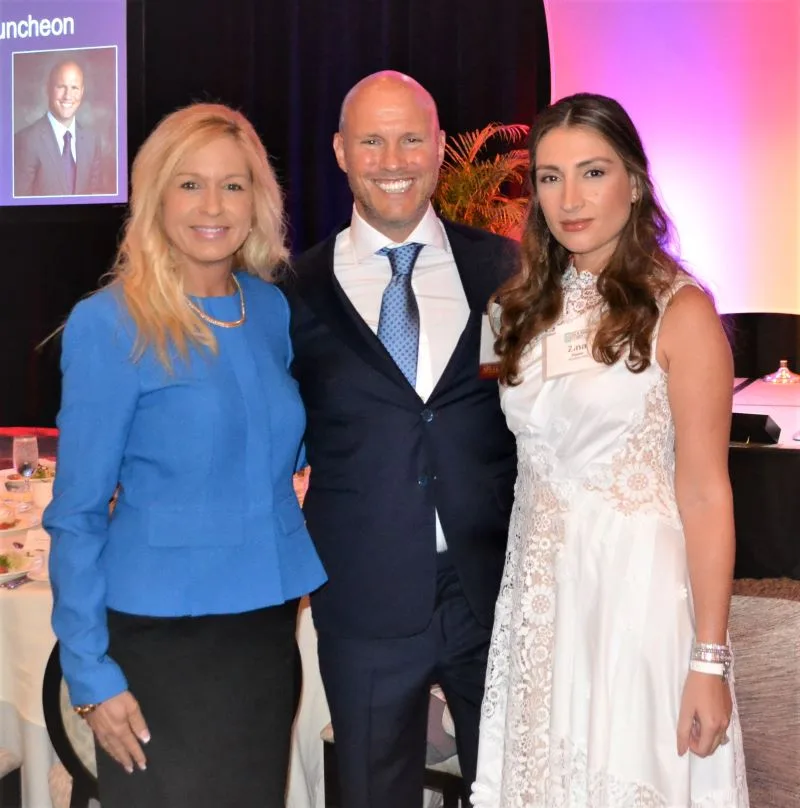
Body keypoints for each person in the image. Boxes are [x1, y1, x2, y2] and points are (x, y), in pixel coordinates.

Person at [44, 102, 326, 808]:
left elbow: (272, 446)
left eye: (233, 185)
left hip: (264, 629)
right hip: (160, 639)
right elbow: (76, 514)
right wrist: (89, 673)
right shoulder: (110, 323)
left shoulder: (268, 310)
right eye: (190, 184)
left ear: (257, 202)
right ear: (156, 197)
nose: (213, 206)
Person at [471, 93, 749, 807]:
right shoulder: (515, 308)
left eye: (592, 172)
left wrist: (709, 659)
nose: (570, 198)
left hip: (635, 598)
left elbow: (706, 493)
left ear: (634, 180)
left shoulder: (680, 311)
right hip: (540, 599)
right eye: (550, 177)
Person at [283, 70, 518, 808]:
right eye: (372, 142)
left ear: (440, 147)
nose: (393, 160)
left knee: (516, 787)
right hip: (363, 600)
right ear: (340, 151)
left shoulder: (504, 271)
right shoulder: (293, 291)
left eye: (412, 139)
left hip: (495, 593)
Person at [13, 60, 105, 196]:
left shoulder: (92, 141)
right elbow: (19, 202)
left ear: (82, 91)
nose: (68, 96)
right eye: (61, 86)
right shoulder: (25, 140)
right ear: (48, 89)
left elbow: (97, 197)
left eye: (74, 88)